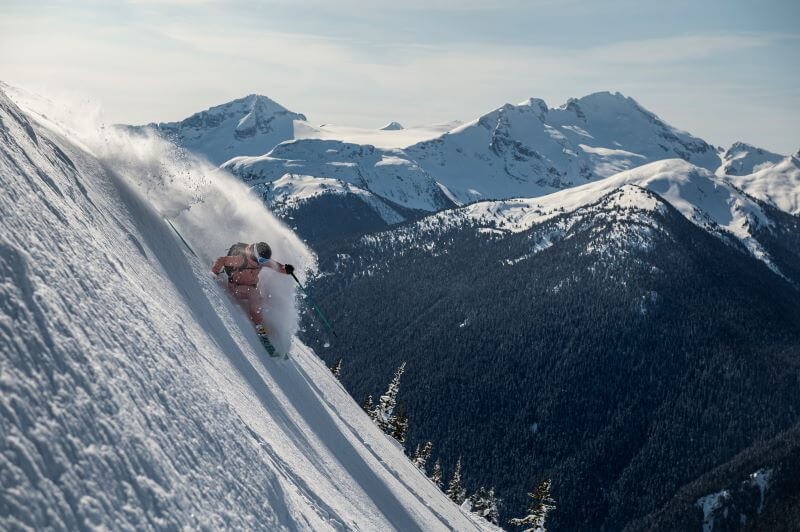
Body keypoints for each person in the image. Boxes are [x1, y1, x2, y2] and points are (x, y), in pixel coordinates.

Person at [211, 241, 294, 336]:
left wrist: (286, 269)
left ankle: (260, 318)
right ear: (255, 255)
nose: (263, 262)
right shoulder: (241, 259)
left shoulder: (260, 261)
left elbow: (276, 266)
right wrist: (214, 272)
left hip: (249, 286)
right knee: (254, 294)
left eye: (264, 260)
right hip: (236, 287)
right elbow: (222, 260)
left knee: (262, 297)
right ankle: (258, 324)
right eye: (262, 260)